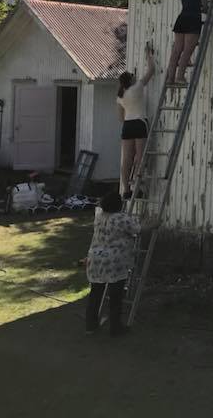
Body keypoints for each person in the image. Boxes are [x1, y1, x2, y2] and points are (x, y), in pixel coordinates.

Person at [85, 192, 140, 337]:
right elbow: (137, 229)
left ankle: (90, 324)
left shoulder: (99, 217)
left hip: (95, 259)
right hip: (114, 262)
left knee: (95, 293)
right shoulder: (121, 218)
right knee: (116, 296)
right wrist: (153, 224)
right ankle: (115, 328)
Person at [117, 44, 156, 198]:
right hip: (140, 123)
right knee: (140, 157)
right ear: (131, 79)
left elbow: (120, 117)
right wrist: (148, 55)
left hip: (127, 126)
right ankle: (138, 187)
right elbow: (151, 70)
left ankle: (126, 189)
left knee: (126, 159)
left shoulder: (120, 95)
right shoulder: (137, 87)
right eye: (133, 75)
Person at [166, 0, 209, 85]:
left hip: (182, 19)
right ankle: (180, 77)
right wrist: (204, 9)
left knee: (176, 51)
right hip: (193, 20)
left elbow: (187, 3)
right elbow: (205, 8)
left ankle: (170, 78)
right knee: (187, 51)